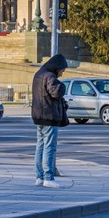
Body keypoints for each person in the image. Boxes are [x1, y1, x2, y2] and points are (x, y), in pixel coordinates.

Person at [31, 53, 69, 188]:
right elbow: (56, 93)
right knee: (49, 147)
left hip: (39, 116)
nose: (62, 74)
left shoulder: (38, 74)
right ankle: (48, 178)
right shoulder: (50, 76)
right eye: (62, 70)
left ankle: (39, 177)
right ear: (57, 67)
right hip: (49, 116)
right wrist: (62, 86)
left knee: (40, 146)